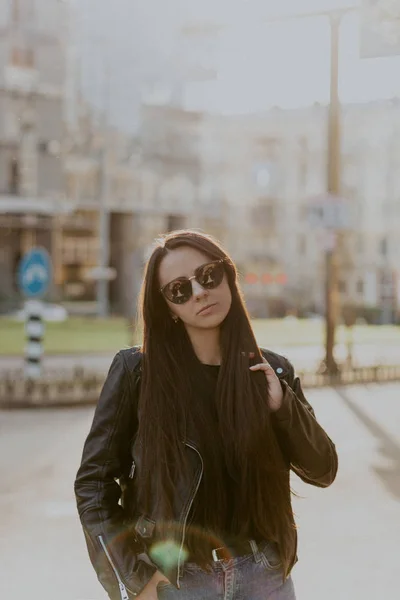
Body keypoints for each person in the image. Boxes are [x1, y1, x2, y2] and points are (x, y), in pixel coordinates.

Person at [74, 230, 338, 600]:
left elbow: (323, 468)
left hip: (265, 577)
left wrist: (283, 407)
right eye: (180, 289)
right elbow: (93, 484)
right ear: (168, 306)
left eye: (208, 275)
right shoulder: (138, 373)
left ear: (228, 276)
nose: (199, 291)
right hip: (179, 582)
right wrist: (134, 578)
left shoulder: (273, 370)